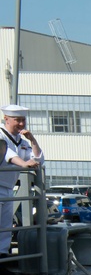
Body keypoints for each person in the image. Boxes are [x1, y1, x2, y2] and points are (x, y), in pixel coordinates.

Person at [0, 104, 43, 256]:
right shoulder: (1, 135)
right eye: (17, 120)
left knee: (5, 228)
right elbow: (8, 155)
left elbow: (39, 160)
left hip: (8, 187)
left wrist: (32, 140)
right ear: (6, 119)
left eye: (23, 120)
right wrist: (24, 164)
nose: (21, 124)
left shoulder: (21, 141)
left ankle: (3, 258)